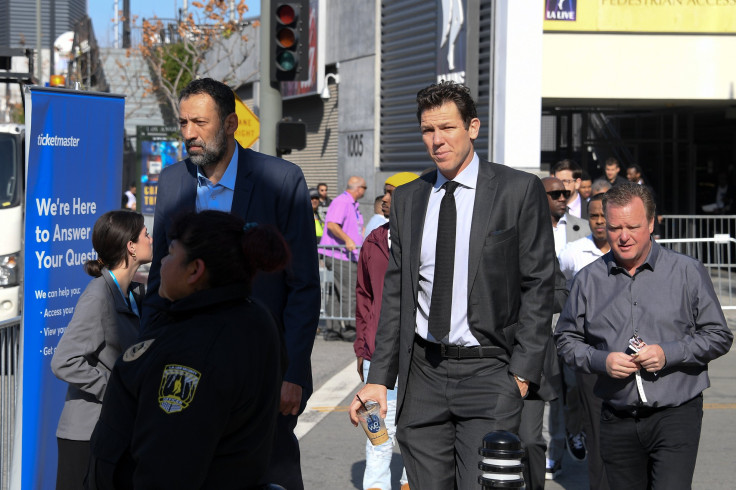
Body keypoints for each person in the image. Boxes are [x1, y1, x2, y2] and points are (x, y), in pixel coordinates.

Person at [349, 81, 555, 489]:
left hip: (491, 370)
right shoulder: (409, 198)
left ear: (473, 128)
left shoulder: (517, 191)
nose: (437, 140)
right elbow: (397, 296)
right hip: (423, 373)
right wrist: (378, 379)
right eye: (428, 130)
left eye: (447, 128)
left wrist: (521, 375)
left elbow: (539, 286)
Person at [145, 78, 320, 490]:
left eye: (199, 123)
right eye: (183, 122)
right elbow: (158, 279)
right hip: (184, 370)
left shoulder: (281, 180)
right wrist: (148, 353)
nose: (188, 133)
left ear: (229, 124)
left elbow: (303, 286)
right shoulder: (172, 182)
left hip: (262, 373)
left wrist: (292, 371)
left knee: (267, 476)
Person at [88, 211, 288, 489]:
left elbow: (166, 468)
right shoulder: (252, 316)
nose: (163, 262)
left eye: (170, 253)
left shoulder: (193, 349)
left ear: (195, 270)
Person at [555, 183, 733, 489]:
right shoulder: (588, 280)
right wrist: (601, 360)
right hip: (616, 413)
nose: (623, 236)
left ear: (651, 223)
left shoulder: (687, 272)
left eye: (633, 226)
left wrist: (669, 353)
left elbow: (718, 335)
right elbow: (565, 340)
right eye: (614, 227)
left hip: (676, 412)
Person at [51, 210, 151, 489]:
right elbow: (64, 361)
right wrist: (114, 391)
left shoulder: (130, 293)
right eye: (145, 233)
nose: (151, 237)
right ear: (131, 246)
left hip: (113, 431)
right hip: (85, 437)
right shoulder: (98, 296)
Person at [354, 171, 418, 490]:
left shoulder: (429, 241)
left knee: (413, 435)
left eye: (394, 193)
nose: (386, 198)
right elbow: (363, 297)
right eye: (385, 192)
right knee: (377, 435)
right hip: (375, 356)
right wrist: (362, 347)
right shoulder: (373, 241)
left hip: (418, 356)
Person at [319, 175, 367, 342]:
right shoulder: (343, 201)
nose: (365, 191)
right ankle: (349, 328)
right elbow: (332, 224)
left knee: (336, 291)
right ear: (358, 188)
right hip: (340, 254)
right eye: (364, 188)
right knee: (348, 292)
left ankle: (333, 330)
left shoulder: (352, 204)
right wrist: (347, 240)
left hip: (342, 254)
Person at [543, 177, 590, 255]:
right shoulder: (528, 228)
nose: (562, 199)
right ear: (541, 195)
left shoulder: (586, 228)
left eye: (565, 194)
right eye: (556, 194)